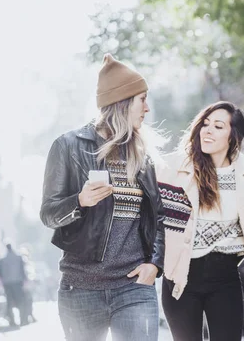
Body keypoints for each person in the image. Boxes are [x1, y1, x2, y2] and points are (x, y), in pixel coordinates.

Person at [40, 54, 165, 341]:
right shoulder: (68, 146)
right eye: (142, 100)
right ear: (122, 103)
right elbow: (48, 213)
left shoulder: (142, 155)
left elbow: (158, 216)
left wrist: (154, 264)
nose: (147, 108)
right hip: (80, 290)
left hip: (133, 286)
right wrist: (79, 201)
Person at [156, 101, 244, 341]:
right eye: (205, 124)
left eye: (218, 126)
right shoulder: (172, 168)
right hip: (180, 279)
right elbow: (150, 216)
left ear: (233, 136)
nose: (207, 130)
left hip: (225, 278)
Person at [0, 243, 28, 327]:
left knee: (9, 302)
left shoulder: (3, 259)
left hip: (7, 284)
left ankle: (12, 321)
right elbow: (23, 270)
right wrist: (24, 279)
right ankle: (23, 320)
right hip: (18, 282)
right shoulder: (19, 257)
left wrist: (4, 278)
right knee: (20, 301)